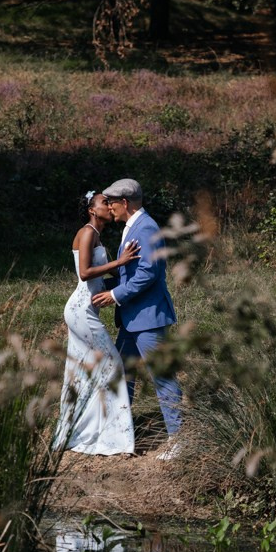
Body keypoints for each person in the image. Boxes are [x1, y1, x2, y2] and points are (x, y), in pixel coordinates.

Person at [91, 178, 182, 461]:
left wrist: (115, 295)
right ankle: (120, 434)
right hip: (132, 318)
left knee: (161, 377)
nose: (108, 208)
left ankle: (179, 440)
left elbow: (148, 273)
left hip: (148, 317)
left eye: (111, 203)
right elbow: (131, 271)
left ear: (124, 203)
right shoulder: (135, 227)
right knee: (122, 373)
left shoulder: (146, 228)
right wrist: (100, 285)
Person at [54, 191, 141, 457]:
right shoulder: (88, 231)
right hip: (82, 311)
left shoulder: (97, 233)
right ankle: (116, 440)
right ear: (93, 209)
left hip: (86, 309)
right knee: (113, 366)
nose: (110, 206)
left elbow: (102, 276)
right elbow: (84, 273)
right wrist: (120, 261)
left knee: (82, 372)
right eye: (105, 203)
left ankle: (77, 431)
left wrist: (122, 272)